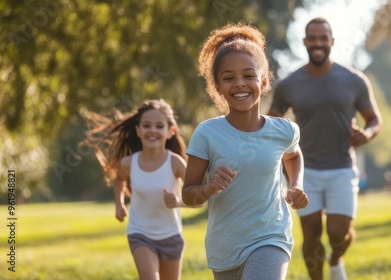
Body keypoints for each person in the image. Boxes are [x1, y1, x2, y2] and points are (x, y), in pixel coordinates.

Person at [181, 22, 309, 280]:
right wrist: (208, 189)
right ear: (218, 86)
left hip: (271, 237)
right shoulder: (207, 134)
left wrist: (295, 184)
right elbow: (188, 195)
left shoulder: (283, 130)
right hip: (225, 247)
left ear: (263, 80)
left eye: (248, 75)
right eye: (229, 78)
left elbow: (293, 155)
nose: (240, 84)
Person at [268, 18, 383, 280]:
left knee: (338, 233)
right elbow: (271, 124)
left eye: (323, 38)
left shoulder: (354, 80)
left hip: (342, 167)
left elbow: (374, 119)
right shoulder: (288, 84)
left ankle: (335, 259)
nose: (318, 43)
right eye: (313, 38)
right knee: (310, 233)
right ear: (305, 42)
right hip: (303, 170)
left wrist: (367, 133)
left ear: (331, 42)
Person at [82, 99, 188, 280]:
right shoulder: (129, 163)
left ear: (170, 132)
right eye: (146, 125)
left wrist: (178, 201)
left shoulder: (176, 162)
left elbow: (198, 197)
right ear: (138, 130)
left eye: (159, 126)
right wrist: (119, 204)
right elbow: (119, 180)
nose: (152, 130)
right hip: (140, 233)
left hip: (171, 234)